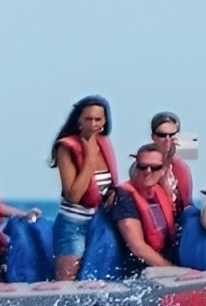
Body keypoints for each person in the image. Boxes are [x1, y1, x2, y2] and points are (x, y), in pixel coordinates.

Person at [50, 95, 117, 279]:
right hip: (73, 225)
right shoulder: (66, 147)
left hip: (101, 222)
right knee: (67, 280)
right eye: (88, 119)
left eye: (98, 119)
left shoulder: (104, 144)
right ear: (79, 120)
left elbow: (108, 185)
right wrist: (88, 157)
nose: (93, 124)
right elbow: (73, 194)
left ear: (104, 122)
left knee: (99, 276)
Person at [111, 144, 179, 277]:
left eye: (155, 167)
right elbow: (137, 247)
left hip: (161, 261)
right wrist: (171, 269)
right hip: (137, 272)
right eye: (143, 166)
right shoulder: (125, 197)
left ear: (163, 170)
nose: (148, 171)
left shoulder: (159, 192)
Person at [150, 112, 196, 214]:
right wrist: (168, 158)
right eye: (162, 135)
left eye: (172, 135)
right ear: (153, 137)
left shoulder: (181, 166)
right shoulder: (144, 163)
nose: (167, 140)